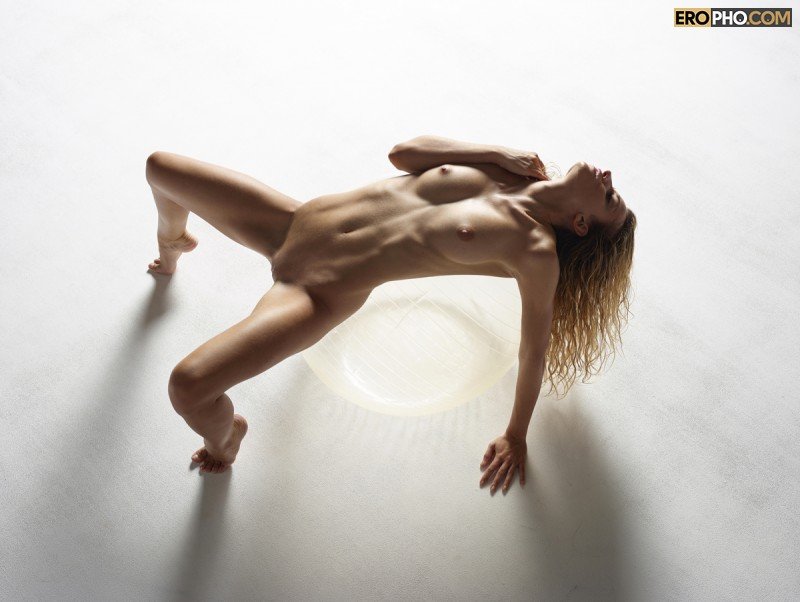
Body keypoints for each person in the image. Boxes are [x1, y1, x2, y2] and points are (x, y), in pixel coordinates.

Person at [145, 135, 636, 493]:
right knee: (160, 167)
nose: (607, 177)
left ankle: (225, 439)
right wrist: (493, 153)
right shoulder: (513, 170)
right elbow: (403, 155)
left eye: (609, 197)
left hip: (316, 290)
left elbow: (534, 351)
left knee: (188, 386)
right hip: (291, 222)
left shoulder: (534, 252)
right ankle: (174, 242)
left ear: (580, 223)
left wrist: (515, 435)